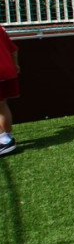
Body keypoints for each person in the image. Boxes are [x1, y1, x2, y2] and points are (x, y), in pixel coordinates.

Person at [0, 24, 20, 156]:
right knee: (2, 104)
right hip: (6, 70)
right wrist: (15, 64)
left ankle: (4, 140)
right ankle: (6, 137)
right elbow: (13, 49)